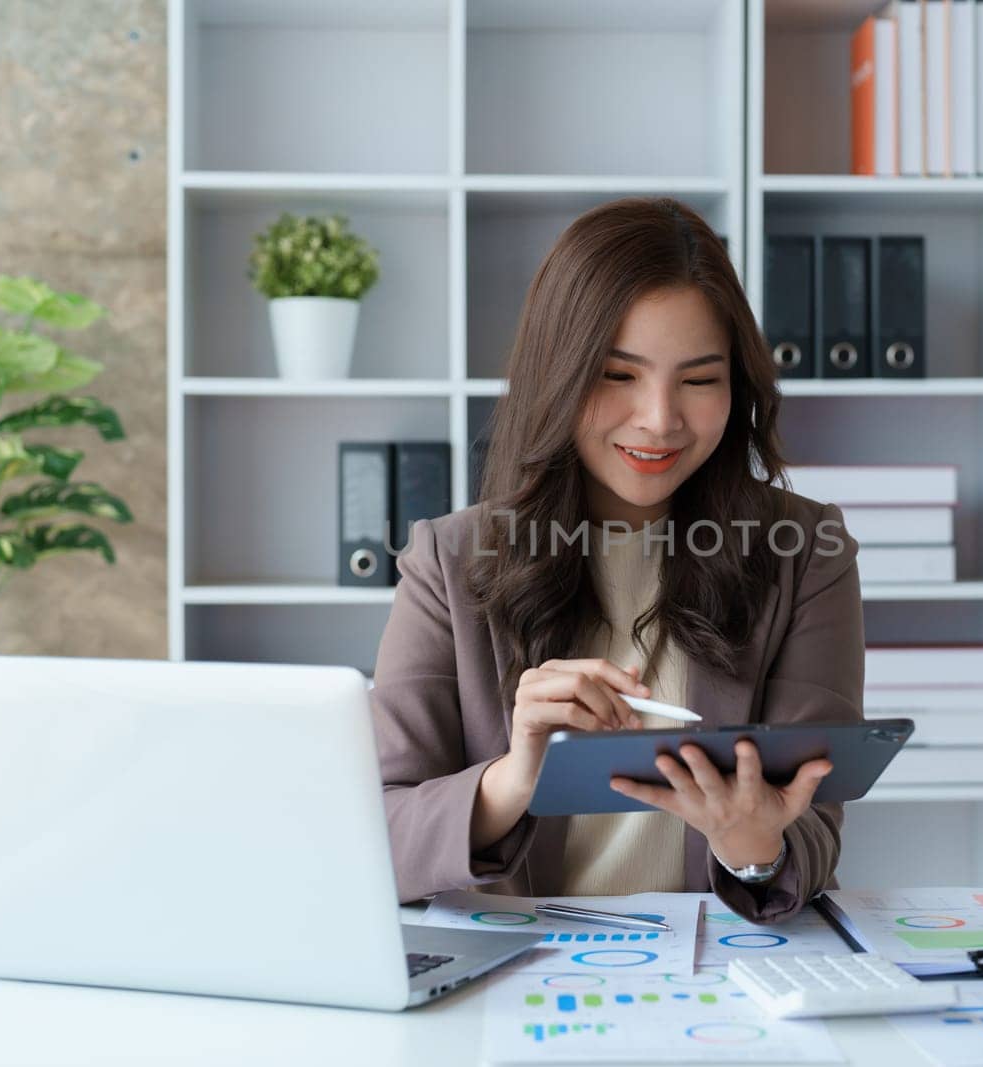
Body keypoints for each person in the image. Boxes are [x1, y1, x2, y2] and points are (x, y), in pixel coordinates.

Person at [369, 197, 863, 923]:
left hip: (724, 966)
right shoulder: (448, 560)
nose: (660, 418)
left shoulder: (805, 551)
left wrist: (752, 844)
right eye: (617, 374)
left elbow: (814, 827)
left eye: (699, 380)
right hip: (516, 972)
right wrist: (514, 777)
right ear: (558, 373)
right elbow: (378, 833)